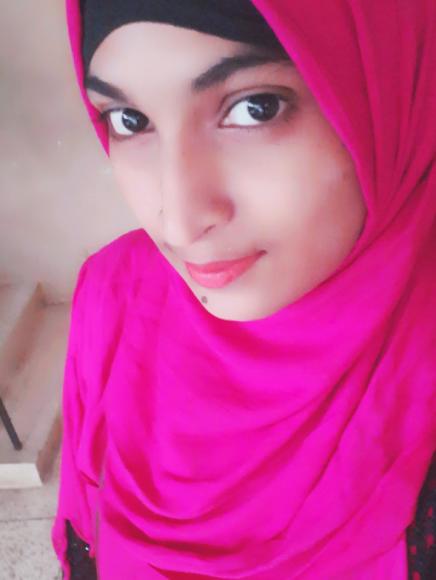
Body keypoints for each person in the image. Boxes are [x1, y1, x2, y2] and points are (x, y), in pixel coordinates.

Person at [52, 1, 436, 578]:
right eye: (129, 120)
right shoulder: (114, 291)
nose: (180, 222)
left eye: (257, 108)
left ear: (389, 90)